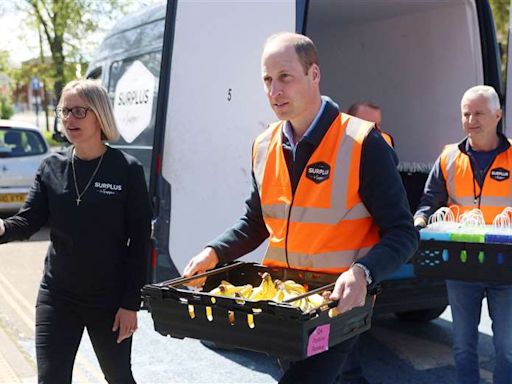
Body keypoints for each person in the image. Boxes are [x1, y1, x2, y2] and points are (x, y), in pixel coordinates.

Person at [184, 32, 418, 384]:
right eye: (267, 80)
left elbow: (403, 233)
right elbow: (255, 222)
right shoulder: (264, 145)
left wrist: (363, 272)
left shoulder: (362, 142)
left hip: (337, 306)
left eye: (285, 77)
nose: (274, 91)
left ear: (314, 75)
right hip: (283, 306)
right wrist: (214, 252)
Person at [0, 79, 152, 384]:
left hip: (109, 300)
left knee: (119, 377)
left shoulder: (127, 169)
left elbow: (139, 243)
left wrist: (130, 304)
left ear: (99, 115)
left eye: (79, 111)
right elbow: (28, 221)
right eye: (64, 111)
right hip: (57, 296)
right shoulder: (50, 167)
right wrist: (2, 227)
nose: (69, 119)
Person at [414, 85, 512, 384]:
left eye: (479, 113)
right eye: (466, 113)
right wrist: (420, 222)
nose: (471, 120)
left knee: (507, 347)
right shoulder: (447, 158)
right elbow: (428, 203)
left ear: (498, 115)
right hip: (460, 262)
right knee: (463, 346)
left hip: (505, 264)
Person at [337, 101, 394, 384]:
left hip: (362, 266)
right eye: (370, 125)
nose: (377, 132)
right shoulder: (339, 150)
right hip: (333, 267)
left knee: (349, 341)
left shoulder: (380, 148)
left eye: (379, 125)